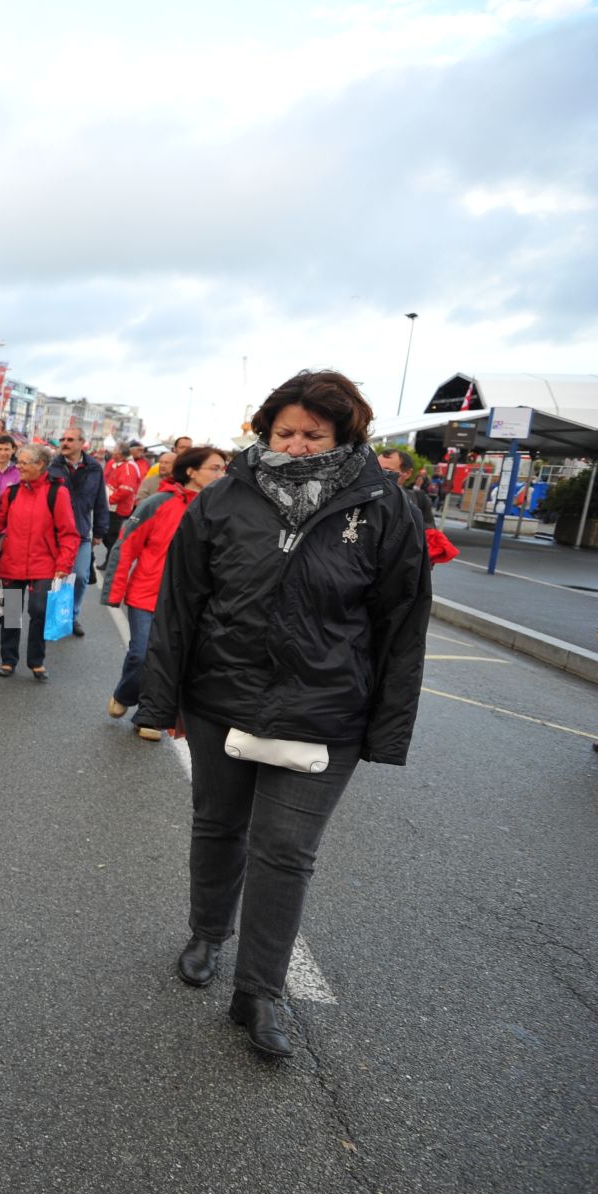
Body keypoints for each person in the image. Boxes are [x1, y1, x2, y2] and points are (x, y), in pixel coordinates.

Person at [136, 370, 431, 1058]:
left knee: (286, 852)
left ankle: (259, 991)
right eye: (284, 432)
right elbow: (180, 604)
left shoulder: (385, 506)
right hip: (219, 696)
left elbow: (401, 623)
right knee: (217, 824)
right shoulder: (222, 499)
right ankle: (208, 931)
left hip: (327, 710)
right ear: (265, 431)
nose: (296, 445)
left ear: (344, 433)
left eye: (313, 434)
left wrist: (385, 729)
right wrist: (163, 698)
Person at [103, 447, 227, 738]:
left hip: (189, 602)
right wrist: (114, 591)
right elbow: (127, 545)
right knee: (142, 653)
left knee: (173, 660)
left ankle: (149, 717)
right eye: (215, 468)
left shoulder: (220, 511)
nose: (221, 474)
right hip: (147, 595)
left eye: (224, 469)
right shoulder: (158, 503)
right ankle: (125, 693)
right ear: (191, 471)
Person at [0, 443, 79, 680]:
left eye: (23, 462)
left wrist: (64, 564)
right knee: (11, 613)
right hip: (12, 562)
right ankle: (8, 660)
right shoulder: (12, 493)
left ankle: (36, 661)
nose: (17, 466)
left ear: (40, 465)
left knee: (38, 610)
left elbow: (69, 532)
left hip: (44, 564)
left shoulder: (57, 493)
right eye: (18, 462)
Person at [48, 425, 109, 636]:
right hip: (55, 532)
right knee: (56, 576)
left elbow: (101, 500)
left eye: (70, 439)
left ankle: (72, 617)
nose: (64, 443)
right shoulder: (51, 467)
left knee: (81, 576)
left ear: (82, 443)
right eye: (63, 439)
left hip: (82, 531)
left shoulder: (94, 468)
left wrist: (100, 530)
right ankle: (56, 616)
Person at [105, 440, 150, 565]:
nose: (112, 452)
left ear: (120, 453)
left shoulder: (128, 467)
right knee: (108, 536)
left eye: (115, 450)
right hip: (112, 507)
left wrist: (109, 500)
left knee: (111, 537)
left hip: (116, 508)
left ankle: (111, 561)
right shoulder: (121, 464)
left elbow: (126, 489)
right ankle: (110, 560)